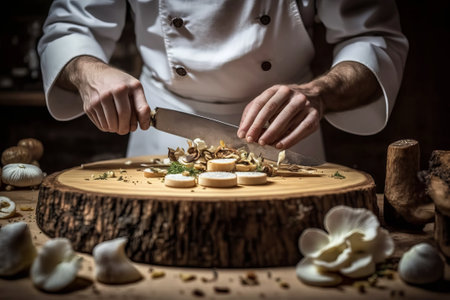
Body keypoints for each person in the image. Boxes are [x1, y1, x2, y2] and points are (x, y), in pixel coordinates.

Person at [38, 0, 408, 161]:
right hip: (163, 126)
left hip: (285, 130)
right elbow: (71, 26)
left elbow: (373, 36)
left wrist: (319, 93)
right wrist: (87, 69)